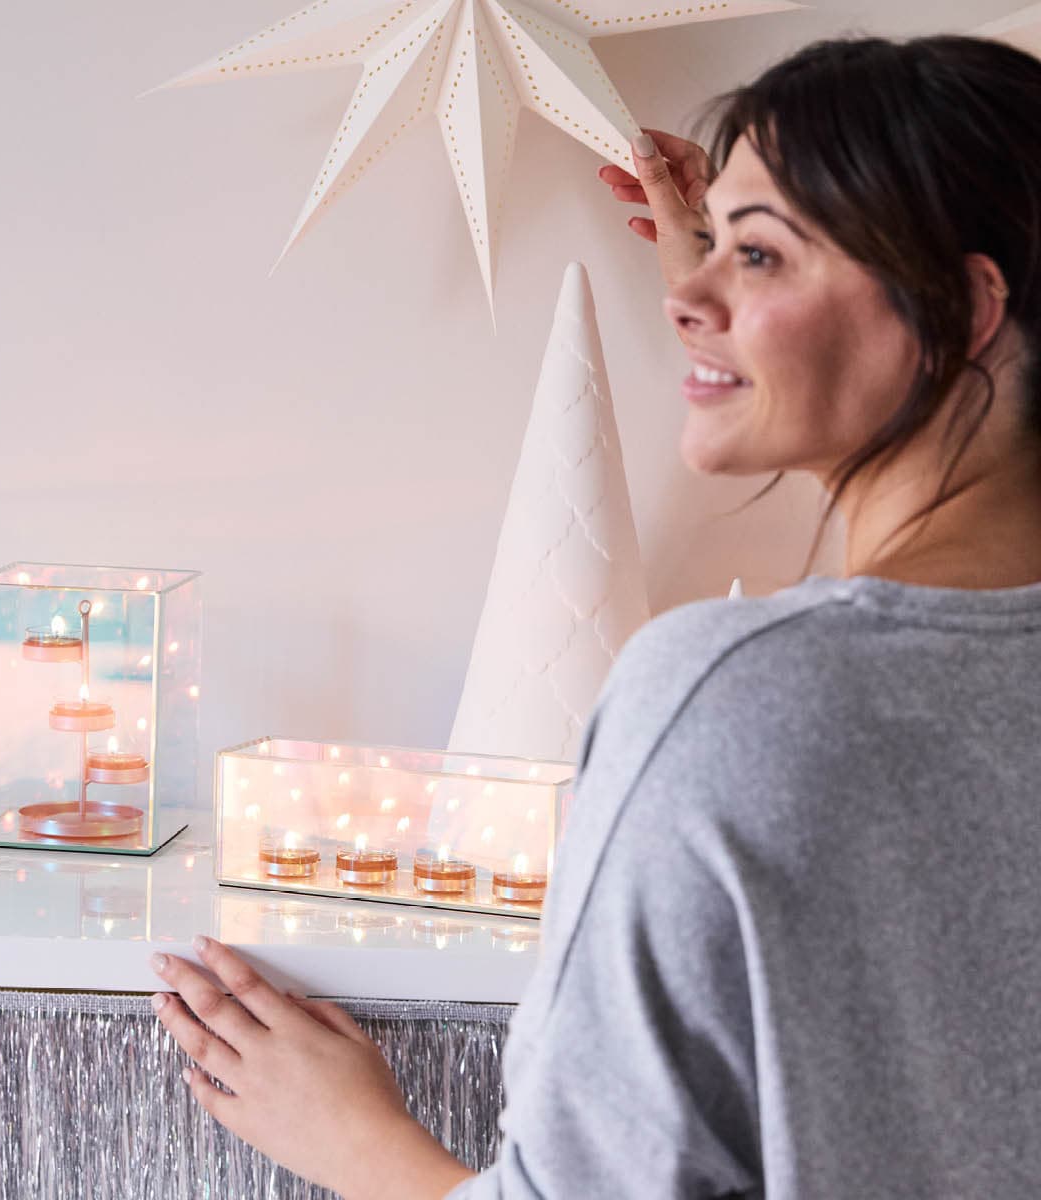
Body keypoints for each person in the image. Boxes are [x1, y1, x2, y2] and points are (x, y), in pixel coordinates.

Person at [149, 34, 1041, 1198]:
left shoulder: (737, 697)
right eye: (708, 245)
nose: (688, 300)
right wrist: (744, 284)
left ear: (967, 306)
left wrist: (356, 1141)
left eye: (760, 255)